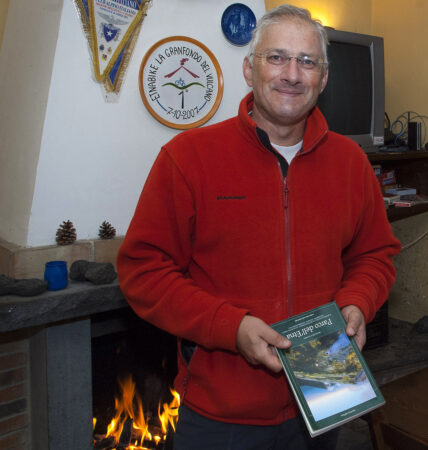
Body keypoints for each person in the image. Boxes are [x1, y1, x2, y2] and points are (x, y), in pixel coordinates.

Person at [116, 5, 400, 449]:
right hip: (221, 414)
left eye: (307, 61)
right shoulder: (187, 157)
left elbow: (374, 255)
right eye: (277, 57)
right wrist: (231, 327)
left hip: (325, 393)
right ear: (249, 69)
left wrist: (358, 303)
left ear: (323, 78)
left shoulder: (351, 163)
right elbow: (143, 271)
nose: (292, 74)